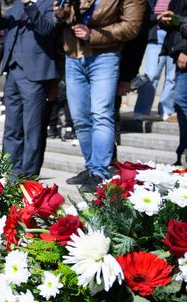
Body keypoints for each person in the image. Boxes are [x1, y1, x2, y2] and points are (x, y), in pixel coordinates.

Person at [56, 0, 145, 191]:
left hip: (105, 56)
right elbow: (69, 17)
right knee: (79, 118)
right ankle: (91, 167)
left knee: (101, 114)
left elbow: (133, 26)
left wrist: (93, 35)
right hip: (74, 55)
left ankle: (100, 171)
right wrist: (62, 14)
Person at [0, 0, 60, 177]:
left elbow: (46, 29)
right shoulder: (17, 5)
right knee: (12, 127)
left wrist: (29, 4)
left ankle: (29, 175)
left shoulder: (50, 3)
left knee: (32, 128)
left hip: (35, 72)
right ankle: (9, 173)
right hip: (13, 70)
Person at [138, 0, 176, 122]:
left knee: (172, 76)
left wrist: (174, 18)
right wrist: (158, 17)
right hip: (155, 36)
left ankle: (166, 110)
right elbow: (144, 15)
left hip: (175, 37)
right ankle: (142, 110)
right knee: (151, 74)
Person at [160, 3, 187, 164]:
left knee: (181, 101)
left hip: (183, 52)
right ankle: (182, 153)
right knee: (180, 103)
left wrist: (185, 49)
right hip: (177, 51)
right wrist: (164, 20)